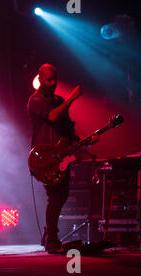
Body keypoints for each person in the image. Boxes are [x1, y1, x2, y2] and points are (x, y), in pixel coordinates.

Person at [27, 63, 95, 253]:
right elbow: (53, 117)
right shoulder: (35, 100)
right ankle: (52, 238)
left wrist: (86, 140)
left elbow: (67, 128)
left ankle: (50, 234)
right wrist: (72, 98)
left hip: (60, 156)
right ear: (40, 80)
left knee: (60, 195)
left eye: (55, 79)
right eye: (49, 79)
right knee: (56, 195)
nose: (53, 83)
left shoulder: (59, 100)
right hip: (44, 156)